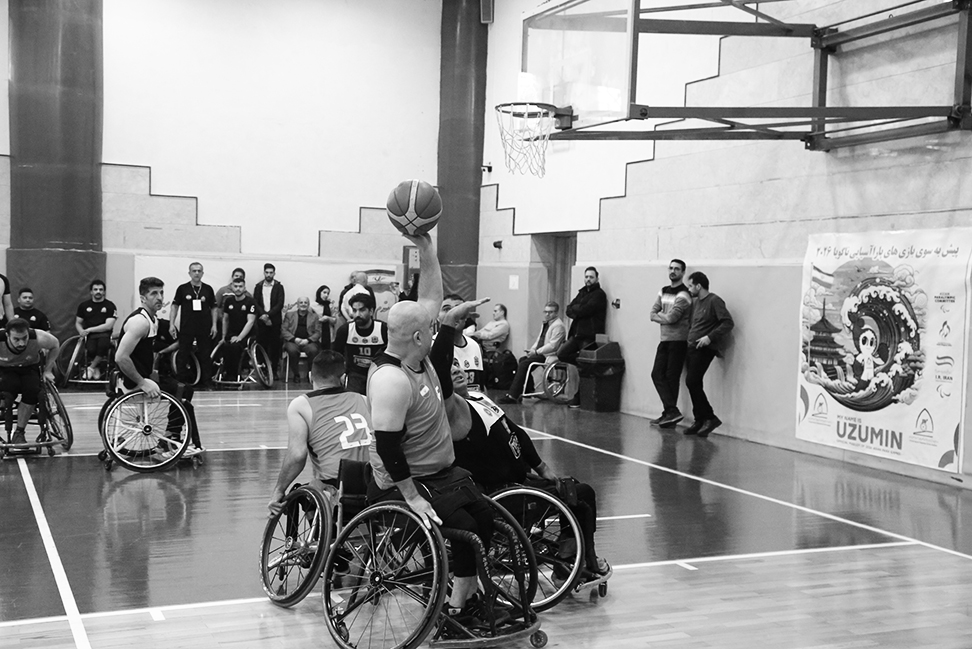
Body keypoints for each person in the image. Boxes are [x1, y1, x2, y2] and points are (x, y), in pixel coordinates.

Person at [367, 232, 494, 623]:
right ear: (419, 336)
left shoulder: (417, 355)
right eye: (432, 328)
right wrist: (413, 499)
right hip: (404, 482)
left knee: (485, 517)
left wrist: (425, 247)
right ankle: (456, 611)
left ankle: (467, 597)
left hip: (438, 474)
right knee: (466, 530)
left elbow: (430, 299)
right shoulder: (391, 379)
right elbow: (388, 448)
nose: (436, 327)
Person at [450, 365, 610, 580]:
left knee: (572, 486)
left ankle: (570, 557)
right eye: (448, 369)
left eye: (456, 365)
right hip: (501, 494)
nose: (456, 370)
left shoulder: (478, 397)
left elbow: (516, 433)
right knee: (582, 493)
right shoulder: (453, 414)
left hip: (519, 482)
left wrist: (542, 467)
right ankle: (571, 560)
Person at [267, 350, 373, 513]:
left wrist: (279, 490)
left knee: (304, 492)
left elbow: (297, 456)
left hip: (336, 487)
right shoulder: (364, 400)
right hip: (372, 482)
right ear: (344, 379)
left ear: (310, 377)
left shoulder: (300, 405)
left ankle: (318, 528)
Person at [114, 277, 202, 452]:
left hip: (142, 376)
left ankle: (170, 437)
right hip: (131, 382)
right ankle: (171, 439)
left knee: (181, 386)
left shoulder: (152, 319)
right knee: (184, 391)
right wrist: (142, 383)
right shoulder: (140, 322)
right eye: (154, 294)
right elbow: (120, 358)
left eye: (161, 293)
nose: (160, 297)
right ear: (143, 298)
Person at [684, 271, 734, 437]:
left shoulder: (714, 301)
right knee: (694, 384)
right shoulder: (697, 303)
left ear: (699, 286)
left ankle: (710, 417)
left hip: (704, 348)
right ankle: (699, 419)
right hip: (692, 347)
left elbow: (727, 322)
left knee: (692, 381)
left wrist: (709, 337)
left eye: (691, 285)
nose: (689, 289)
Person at [0, 318, 60, 445]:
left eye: (24, 338)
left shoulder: (39, 337)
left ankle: (19, 433)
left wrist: (48, 370)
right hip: (5, 370)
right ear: (7, 335)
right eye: (16, 339)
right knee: (7, 393)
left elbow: (55, 345)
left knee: (33, 392)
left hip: (29, 368)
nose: (21, 343)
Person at [649, 259, 693, 428]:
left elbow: (672, 318)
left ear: (683, 272)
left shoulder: (684, 294)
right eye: (671, 268)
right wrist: (663, 317)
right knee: (656, 374)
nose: (673, 271)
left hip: (678, 341)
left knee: (671, 378)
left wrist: (661, 317)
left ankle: (670, 413)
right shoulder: (663, 291)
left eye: (677, 269)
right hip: (665, 340)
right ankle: (671, 411)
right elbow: (652, 313)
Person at [558, 267, 607, 407]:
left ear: (597, 278)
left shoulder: (599, 295)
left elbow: (586, 309)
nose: (588, 279)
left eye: (591, 277)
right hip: (576, 334)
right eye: (586, 277)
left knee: (585, 371)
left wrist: (577, 309)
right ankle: (581, 361)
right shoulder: (582, 292)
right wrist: (578, 309)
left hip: (589, 335)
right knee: (562, 353)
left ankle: (579, 398)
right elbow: (569, 309)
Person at [499, 301, 566, 404]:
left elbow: (553, 346)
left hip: (549, 355)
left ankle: (513, 395)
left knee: (524, 364)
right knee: (522, 360)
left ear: (556, 313)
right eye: (546, 312)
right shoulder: (546, 323)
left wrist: (536, 352)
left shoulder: (558, 326)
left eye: (550, 312)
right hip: (541, 353)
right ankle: (528, 389)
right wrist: (532, 350)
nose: (547, 314)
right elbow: (539, 340)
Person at [169, 262, 218, 387]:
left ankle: (207, 381)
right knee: (183, 354)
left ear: (202, 273)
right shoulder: (182, 288)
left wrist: (214, 325)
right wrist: (171, 324)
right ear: (189, 273)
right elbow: (175, 306)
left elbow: (214, 308)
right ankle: (181, 382)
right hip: (187, 327)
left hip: (204, 327)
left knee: (205, 355)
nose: (196, 273)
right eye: (194, 271)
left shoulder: (208, 289)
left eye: (199, 271)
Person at [331, 292, 388, 395]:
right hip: (355, 375)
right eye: (354, 310)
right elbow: (336, 355)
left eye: (362, 310)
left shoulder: (383, 329)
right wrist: (340, 374)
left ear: (371, 311)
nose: (357, 314)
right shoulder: (345, 330)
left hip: (379, 374)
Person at [440, 295, 486, 393]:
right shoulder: (431, 346)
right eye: (447, 309)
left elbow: (481, 386)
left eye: (458, 309)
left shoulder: (474, 345)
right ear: (437, 316)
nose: (453, 314)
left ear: (467, 316)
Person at [75, 279, 118, 380]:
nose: (98, 292)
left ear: (104, 292)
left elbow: (108, 326)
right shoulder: (84, 306)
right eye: (95, 289)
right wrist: (81, 331)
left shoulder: (110, 306)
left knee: (103, 345)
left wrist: (90, 329)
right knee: (91, 349)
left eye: (101, 289)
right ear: (91, 292)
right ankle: (96, 367)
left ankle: (91, 368)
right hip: (89, 336)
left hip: (105, 334)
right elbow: (78, 322)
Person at [218, 278, 258, 381]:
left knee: (235, 347)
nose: (238, 289)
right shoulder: (228, 301)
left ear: (244, 288)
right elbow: (225, 319)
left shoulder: (250, 302)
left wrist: (240, 337)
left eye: (240, 286)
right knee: (225, 346)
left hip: (246, 335)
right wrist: (223, 337)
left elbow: (250, 322)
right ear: (232, 287)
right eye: (235, 286)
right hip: (232, 334)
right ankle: (226, 373)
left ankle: (235, 374)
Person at [281, 297, 322, 383]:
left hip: (308, 342)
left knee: (313, 350)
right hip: (293, 341)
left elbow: (318, 332)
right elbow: (283, 330)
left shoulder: (314, 316)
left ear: (308, 305)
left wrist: (308, 340)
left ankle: (310, 374)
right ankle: (296, 374)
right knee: (292, 351)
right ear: (297, 304)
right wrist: (294, 339)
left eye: (305, 303)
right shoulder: (289, 315)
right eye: (301, 302)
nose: (303, 304)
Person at [254, 263, 285, 372]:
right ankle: (262, 370)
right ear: (264, 273)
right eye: (267, 272)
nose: (268, 275)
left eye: (271, 273)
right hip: (261, 321)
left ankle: (274, 370)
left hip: (274, 321)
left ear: (274, 273)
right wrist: (263, 315)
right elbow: (256, 303)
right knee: (262, 345)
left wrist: (268, 315)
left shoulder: (279, 287)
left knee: (275, 346)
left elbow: (280, 303)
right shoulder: (258, 286)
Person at [313, 284, 336, 349]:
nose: (326, 295)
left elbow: (334, 320)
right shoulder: (313, 306)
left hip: (329, 332)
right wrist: (319, 320)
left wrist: (328, 318)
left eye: (328, 293)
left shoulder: (330, 305)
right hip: (317, 333)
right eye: (324, 292)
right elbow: (309, 320)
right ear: (319, 293)